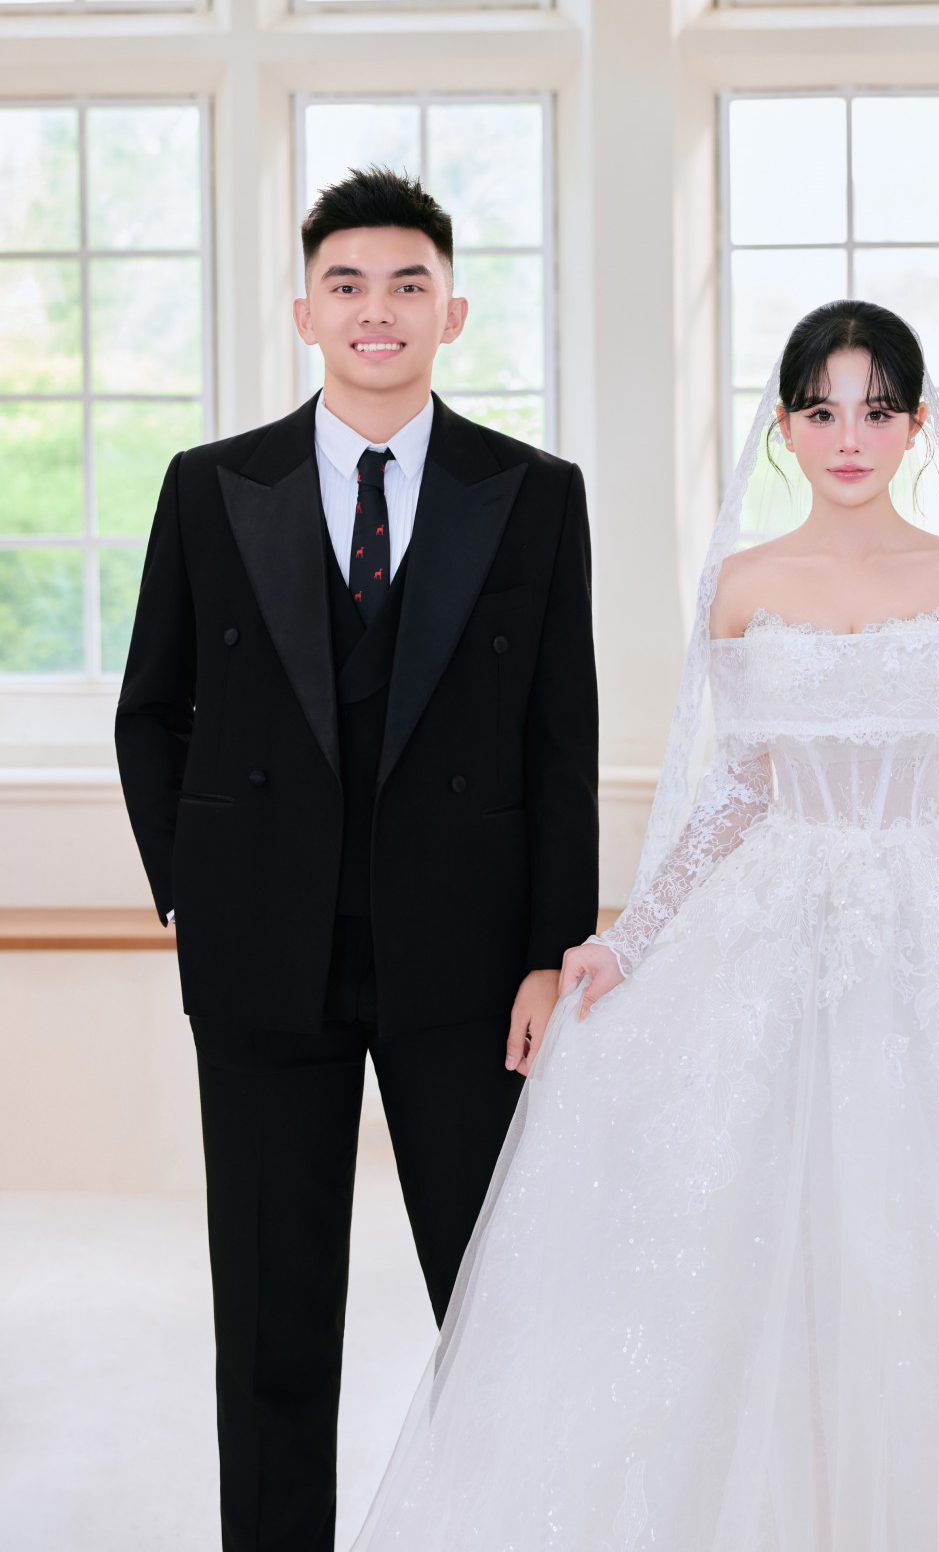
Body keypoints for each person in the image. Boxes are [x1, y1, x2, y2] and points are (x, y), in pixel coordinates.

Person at [354, 299, 939, 1550]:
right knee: (758, 1237)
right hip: (774, 933)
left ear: (916, 425)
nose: (849, 438)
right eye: (822, 410)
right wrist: (629, 936)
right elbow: (732, 789)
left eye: (877, 411)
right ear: (783, 426)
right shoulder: (742, 583)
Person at [113, 166, 598, 1551]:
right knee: (271, 1324)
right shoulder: (212, 487)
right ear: (303, 313)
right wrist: (197, 893)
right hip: (263, 954)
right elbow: (151, 710)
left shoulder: (532, 493)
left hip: (471, 965)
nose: (375, 309)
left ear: (452, 311)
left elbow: (560, 739)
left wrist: (550, 955)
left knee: (498, 1307)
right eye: (346, 284)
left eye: (405, 284)